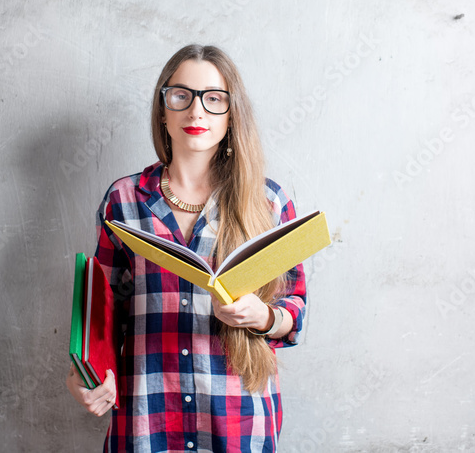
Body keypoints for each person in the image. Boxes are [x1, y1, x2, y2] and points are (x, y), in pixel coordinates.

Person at [66, 44, 308, 452]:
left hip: (238, 421)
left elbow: (295, 311)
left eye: (214, 99)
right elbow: (102, 315)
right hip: (147, 419)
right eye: (182, 96)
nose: (197, 112)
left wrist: (262, 315)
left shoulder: (269, 202)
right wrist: (84, 376)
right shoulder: (123, 200)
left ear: (232, 115)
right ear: (163, 109)